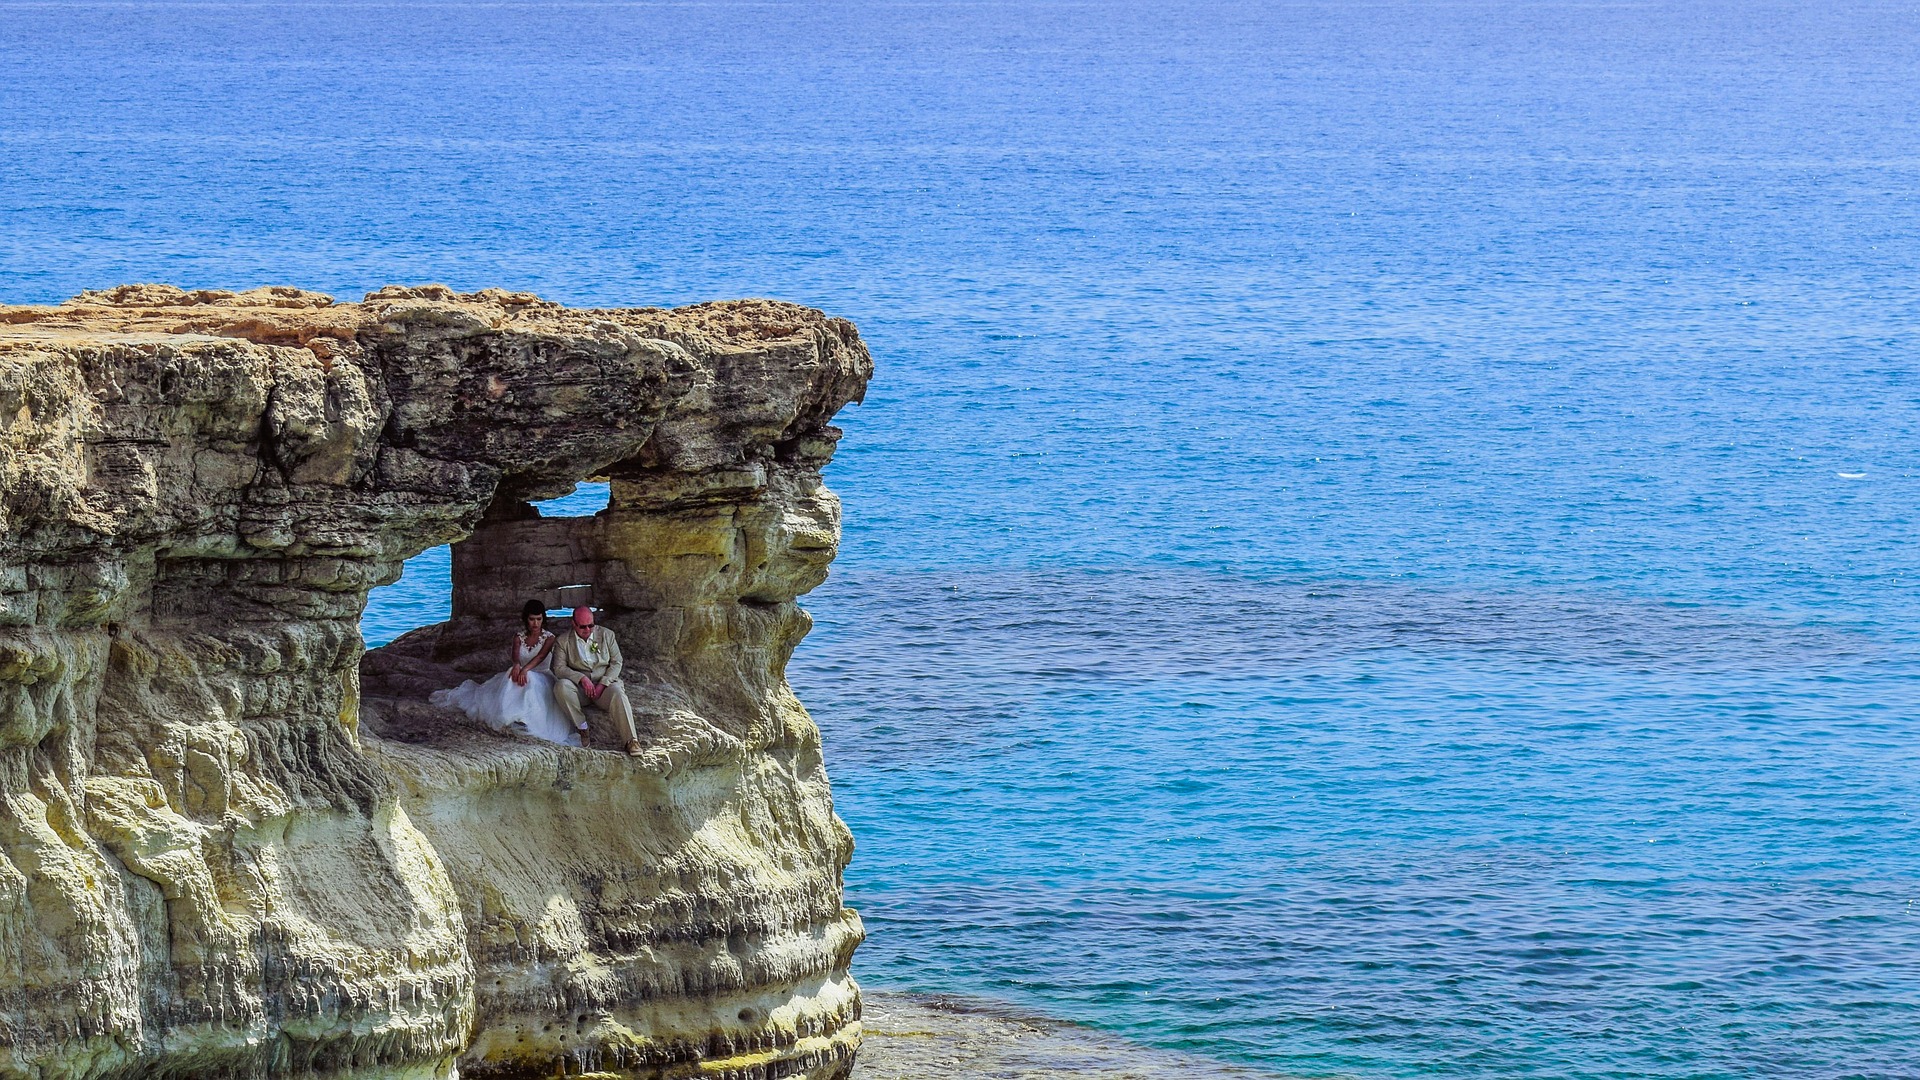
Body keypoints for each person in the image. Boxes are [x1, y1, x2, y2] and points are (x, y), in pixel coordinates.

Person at [430, 600, 580, 746]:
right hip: (522, 672)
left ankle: (527, 719)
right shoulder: (519, 636)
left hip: (542, 675)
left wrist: (525, 669)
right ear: (526, 619)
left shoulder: (549, 638)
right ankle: (510, 715)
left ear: (543, 619)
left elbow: (541, 656)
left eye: (539, 619)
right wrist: (516, 665)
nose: (535, 623)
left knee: (529, 679)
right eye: (532, 619)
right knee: (511, 675)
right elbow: (515, 654)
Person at [550, 606, 641, 756]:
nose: (587, 629)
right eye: (583, 626)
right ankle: (582, 728)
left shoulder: (607, 635)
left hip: (604, 687)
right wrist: (582, 679)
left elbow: (617, 662)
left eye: (591, 625)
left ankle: (631, 740)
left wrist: (603, 683)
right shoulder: (563, 641)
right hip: (580, 689)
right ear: (573, 624)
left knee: (618, 692)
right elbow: (559, 668)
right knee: (561, 687)